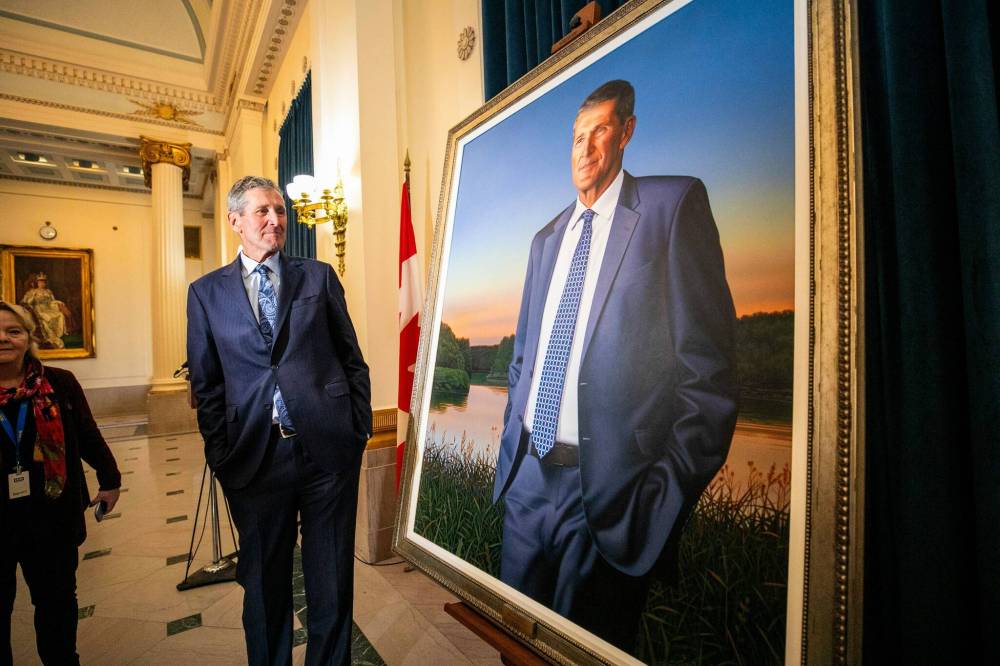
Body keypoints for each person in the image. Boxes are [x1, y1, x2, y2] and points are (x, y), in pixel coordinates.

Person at [493, 80, 738, 651]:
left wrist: (659, 498)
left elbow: (710, 375)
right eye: (577, 136)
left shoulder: (671, 206)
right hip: (529, 480)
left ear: (627, 132)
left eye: (599, 130)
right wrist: (514, 440)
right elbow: (524, 358)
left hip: (610, 495)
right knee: (512, 644)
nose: (585, 148)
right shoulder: (545, 239)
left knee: (586, 653)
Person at [187, 176, 371, 666]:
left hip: (328, 452)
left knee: (330, 578)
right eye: (263, 211)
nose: (275, 220)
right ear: (235, 222)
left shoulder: (318, 276)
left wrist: (357, 430)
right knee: (264, 585)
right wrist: (220, 453)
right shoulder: (205, 294)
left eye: (281, 211)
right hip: (254, 458)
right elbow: (206, 385)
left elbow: (352, 360)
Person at [0, 301, 121, 665]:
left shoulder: (59, 382)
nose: (3, 338)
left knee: (56, 605)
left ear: (29, 337)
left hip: (50, 515)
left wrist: (110, 478)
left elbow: (86, 434)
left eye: (13, 331)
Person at [21, 274, 70, 349]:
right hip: (38, 309)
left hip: (48, 308)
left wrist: (58, 302)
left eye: (43, 282)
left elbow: (52, 301)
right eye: (40, 282)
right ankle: (50, 336)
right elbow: (27, 302)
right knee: (48, 318)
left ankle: (57, 334)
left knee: (60, 315)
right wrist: (33, 296)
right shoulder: (33, 292)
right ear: (37, 283)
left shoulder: (48, 291)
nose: (42, 284)